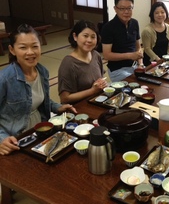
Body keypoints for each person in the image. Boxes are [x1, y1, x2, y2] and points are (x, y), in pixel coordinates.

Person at [0, 24, 76, 155]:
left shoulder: (42, 71)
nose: (30, 52)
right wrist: (2, 139)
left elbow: (41, 100)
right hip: (15, 141)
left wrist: (58, 107)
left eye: (35, 46)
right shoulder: (5, 79)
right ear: (12, 50)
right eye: (23, 47)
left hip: (40, 132)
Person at [58, 20, 108, 104]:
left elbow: (100, 80)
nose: (89, 40)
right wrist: (92, 91)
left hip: (97, 101)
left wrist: (101, 85)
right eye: (85, 36)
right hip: (78, 108)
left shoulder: (96, 55)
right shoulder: (68, 63)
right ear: (75, 36)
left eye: (93, 37)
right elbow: (65, 98)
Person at [101, 0, 143, 82]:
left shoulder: (135, 23)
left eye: (129, 8)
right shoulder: (108, 28)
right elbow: (107, 55)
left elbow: (138, 47)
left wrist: (141, 65)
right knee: (135, 85)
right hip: (117, 70)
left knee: (150, 82)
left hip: (135, 66)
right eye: (122, 9)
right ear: (115, 9)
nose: (126, 12)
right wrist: (130, 56)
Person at [141, 1, 169, 66]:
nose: (160, 15)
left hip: (165, 62)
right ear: (152, 15)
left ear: (166, 13)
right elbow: (147, 49)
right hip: (151, 62)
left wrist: (168, 58)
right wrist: (158, 60)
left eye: (162, 12)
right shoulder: (147, 30)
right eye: (157, 13)